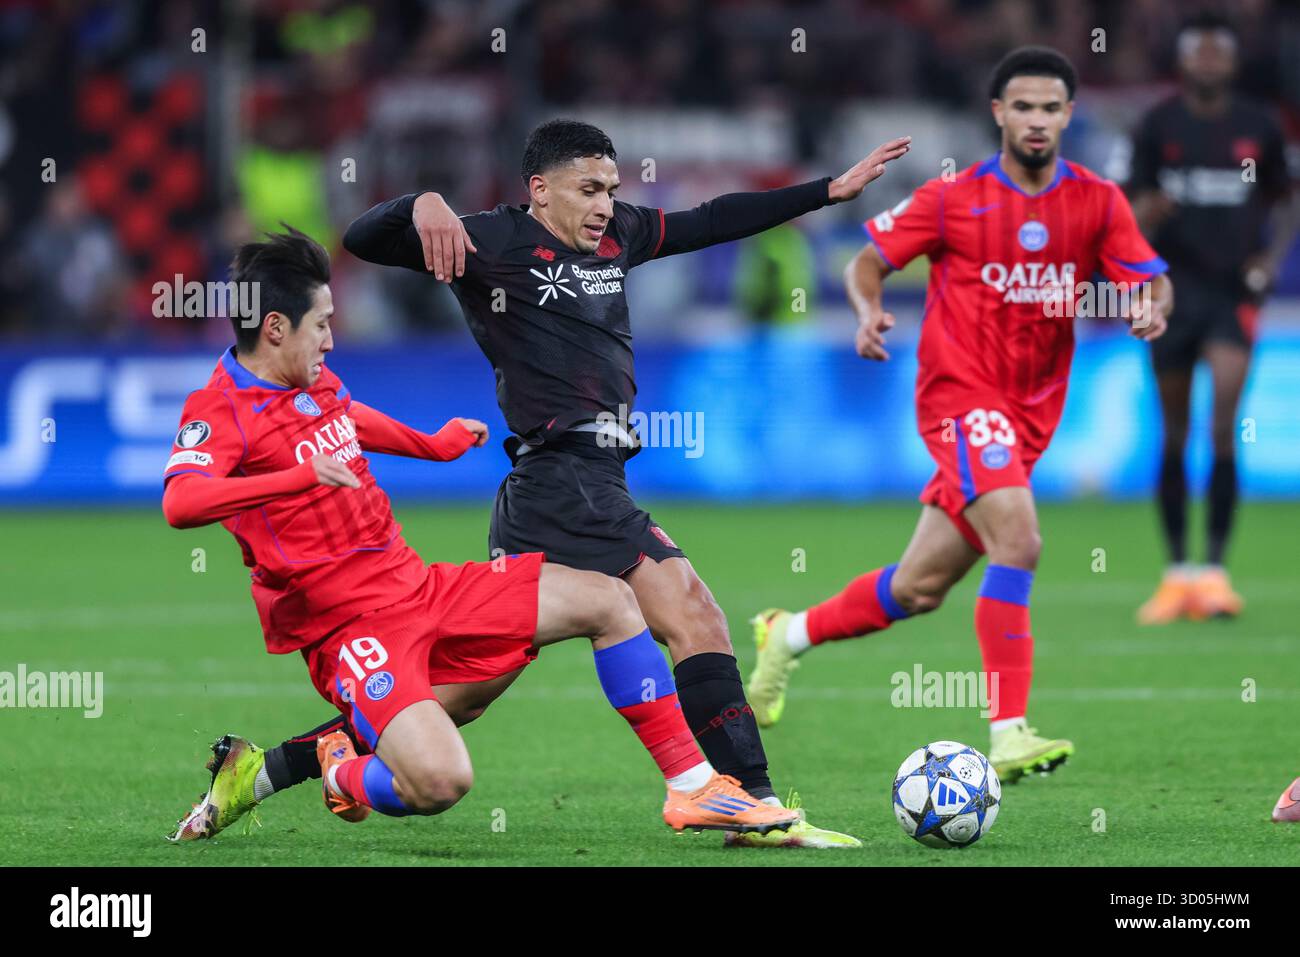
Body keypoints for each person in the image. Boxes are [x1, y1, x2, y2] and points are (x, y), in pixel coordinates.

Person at [227, 119, 911, 850]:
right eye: (588, 189)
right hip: (563, 479)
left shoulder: (618, 236)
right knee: (693, 611)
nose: (603, 205)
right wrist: (422, 202)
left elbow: (712, 221)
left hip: (569, 487)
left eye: (612, 190)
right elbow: (364, 239)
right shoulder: (490, 242)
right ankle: (752, 802)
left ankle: (268, 770)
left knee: (456, 696)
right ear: (540, 189)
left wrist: (825, 192)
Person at [165, 227, 797, 840]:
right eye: (322, 324)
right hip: (349, 630)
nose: (332, 338)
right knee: (440, 782)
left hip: (419, 587)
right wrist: (293, 480)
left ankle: (690, 786)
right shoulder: (217, 410)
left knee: (609, 599)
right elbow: (182, 502)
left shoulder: (308, 379)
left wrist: (430, 445)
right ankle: (341, 770)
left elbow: (343, 413)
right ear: (275, 328)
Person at [746, 47, 1172, 783]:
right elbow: (867, 260)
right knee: (1022, 538)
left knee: (918, 588)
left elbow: (1152, 279)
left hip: (1032, 415)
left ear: (1068, 115)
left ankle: (788, 634)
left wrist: (1148, 307)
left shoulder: (1098, 200)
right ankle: (1007, 732)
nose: (1037, 120)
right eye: (1023, 106)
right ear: (998, 113)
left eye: (1051, 107)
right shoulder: (953, 197)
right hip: (960, 398)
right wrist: (870, 310)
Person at [1127, 13, 1298, 624]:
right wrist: (1146, 215)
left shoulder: (1258, 126)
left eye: (1215, 52)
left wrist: (1268, 260)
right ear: (1182, 62)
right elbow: (1127, 206)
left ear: (1229, 61)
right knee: (1174, 432)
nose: (1206, 61)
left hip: (1231, 294)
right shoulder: (1158, 124)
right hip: (1170, 292)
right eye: (1195, 52)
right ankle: (1177, 574)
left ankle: (1217, 572)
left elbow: (1286, 197)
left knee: (1224, 423)